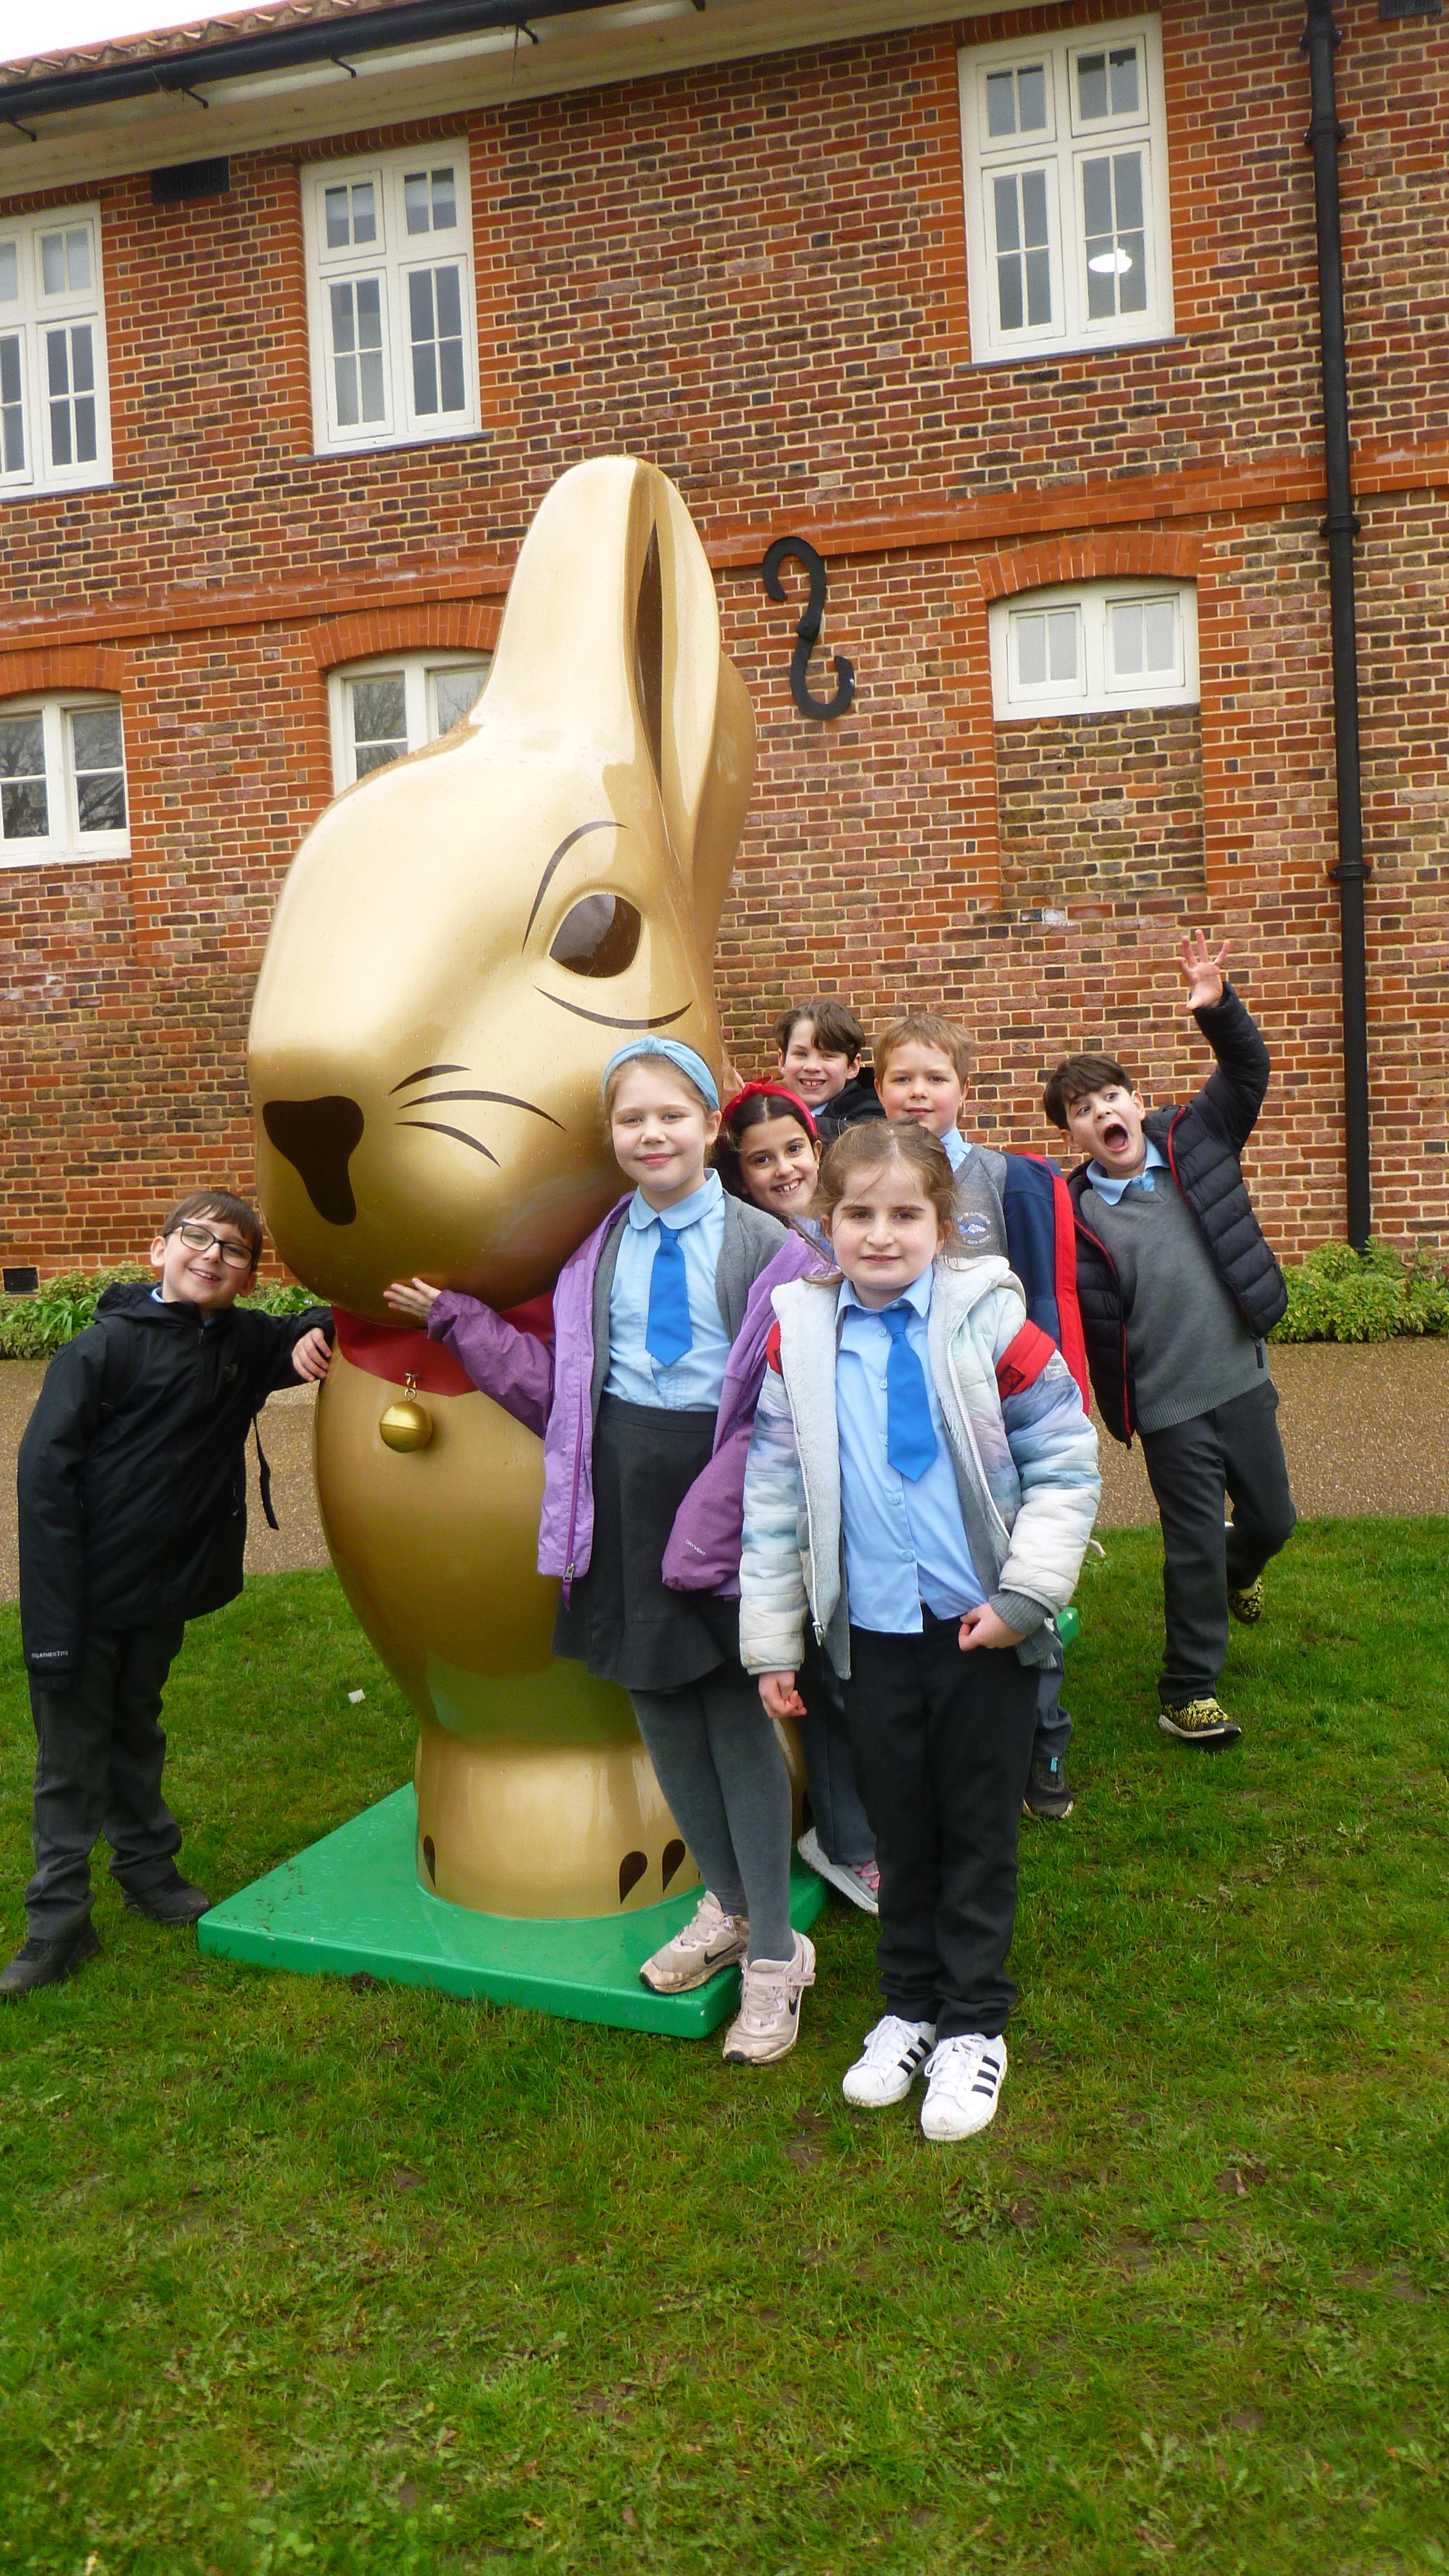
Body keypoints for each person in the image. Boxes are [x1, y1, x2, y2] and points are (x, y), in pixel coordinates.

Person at [386, 1039, 820, 2064]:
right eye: (631, 1119)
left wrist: (737, 1508)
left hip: (723, 1494)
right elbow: (563, 1393)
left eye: (672, 1114)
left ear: (710, 1127)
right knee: (659, 1708)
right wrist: (458, 1321)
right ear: (611, 1137)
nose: (651, 1133)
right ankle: (728, 1906)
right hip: (622, 1493)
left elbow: (794, 1400)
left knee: (733, 1718)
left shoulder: (771, 1249)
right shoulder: (598, 1251)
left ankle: (775, 1948)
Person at [740, 1123, 1098, 2139]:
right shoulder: (796, 1336)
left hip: (981, 1630)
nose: (881, 1234)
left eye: (905, 1214)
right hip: (873, 1634)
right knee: (899, 1828)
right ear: (826, 1222)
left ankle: (974, 2021)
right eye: (858, 1213)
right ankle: (909, 2004)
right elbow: (774, 1493)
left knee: (976, 1827)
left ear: (944, 1226)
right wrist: (773, 1640)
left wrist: (1025, 1596)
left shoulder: (993, 1322)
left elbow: (1065, 1461)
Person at [4, 1192, 333, 1998]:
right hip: (82, 1598)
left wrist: (317, 1327)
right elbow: (44, 1487)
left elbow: (325, 1318)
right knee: (71, 1762)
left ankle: (147, 1870)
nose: (213, 1256)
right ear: (159, 1250)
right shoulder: (100, 1351)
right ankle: (57, 1922)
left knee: (136, 1732)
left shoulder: (245, 1342)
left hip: (159, 1595)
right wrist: (52, 1626)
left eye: (235, 1251)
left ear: (249, 1279)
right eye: (198, 1238)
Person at [1045, 932, 1295, 1748]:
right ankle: (1188, 1692)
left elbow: (1248, 1071)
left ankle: (1240, 1565)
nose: (1101, 1114)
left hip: (1241, 1379)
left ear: (1135, 1099)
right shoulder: (1071, 1215)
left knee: (1273, 1521)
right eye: (1082, 1111)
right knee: (1190, 1546)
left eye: (1109, 1097)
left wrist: (1218, 1008)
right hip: (1166, 1407)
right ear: (1074, 1136)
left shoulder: (1199, 1138)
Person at [874, 1009, 1087, 1823]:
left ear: (964, 1088)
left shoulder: (1002, 1181)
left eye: (935, 1078)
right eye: (901, 1078)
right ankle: (952, 1744)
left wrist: (1055, 1399)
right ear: (878, 1089)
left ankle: (1045, 1743)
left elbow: (1044, 1302)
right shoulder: (865, 1175)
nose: (917, 1092)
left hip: (996, 1417)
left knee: (1019, 1572)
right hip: (907, 1416)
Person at [712, 1082, 879, 1915]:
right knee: (825, 1667)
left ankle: (871, 1818)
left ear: (817, 1149)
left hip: (863, 1473)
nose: (782, 1169)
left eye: (792, 1150)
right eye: (760, 1160)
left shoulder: (841, 1226)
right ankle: (846, 1840)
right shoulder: (755, 1250)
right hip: (794, 1478)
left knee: (868, 1661)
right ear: (739, 1174)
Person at [775, 996, 886, 1147]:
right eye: (800, 1054)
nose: (812, 1067)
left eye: (828, 1056)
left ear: (852, 1067)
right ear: (782, 1061)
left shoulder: (873, 1114)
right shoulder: (770, 1111)